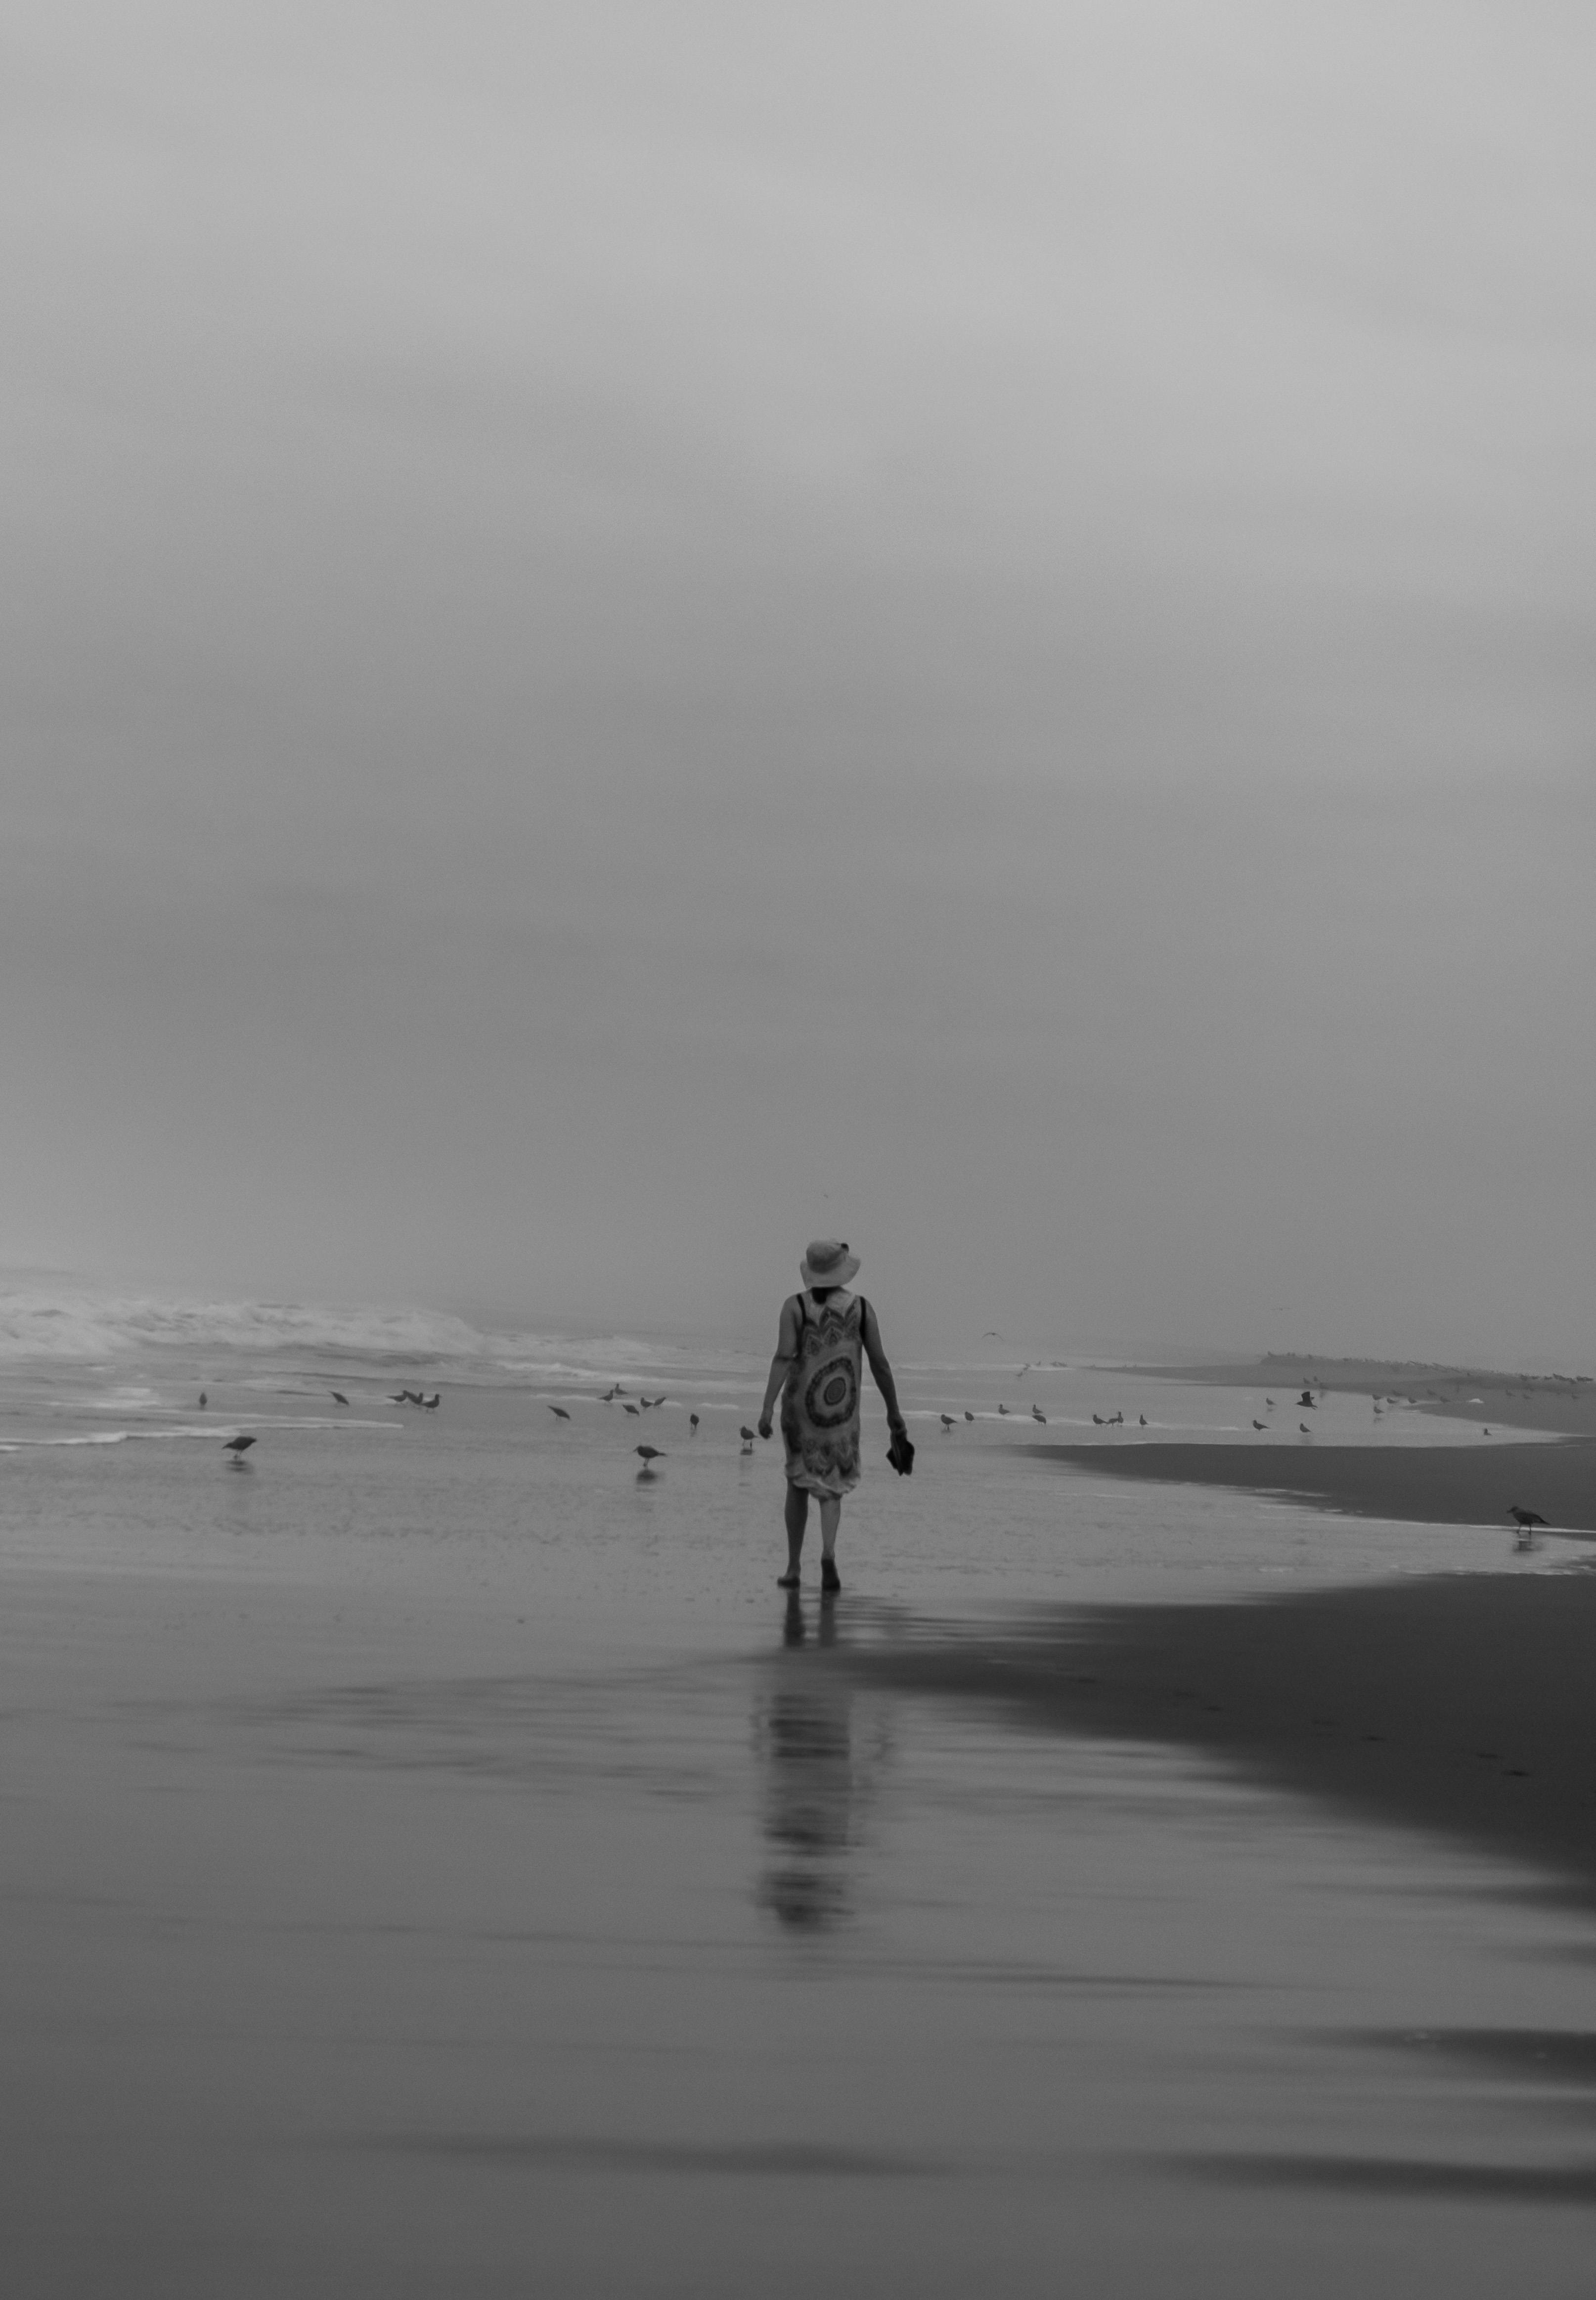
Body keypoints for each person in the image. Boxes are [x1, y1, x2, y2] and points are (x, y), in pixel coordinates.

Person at [756, 1239, 908, 1592]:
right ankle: (828, 1552)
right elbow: (881, 1365)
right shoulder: (863, 1309)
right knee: (831, 1486)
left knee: (797, 1483)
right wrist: (893, 1412)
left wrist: (767, 1406)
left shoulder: (794, 1306)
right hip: (841, 1411)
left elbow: (783, 1357)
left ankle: (794, 1568)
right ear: (842, 1270)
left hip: (799, 1410)